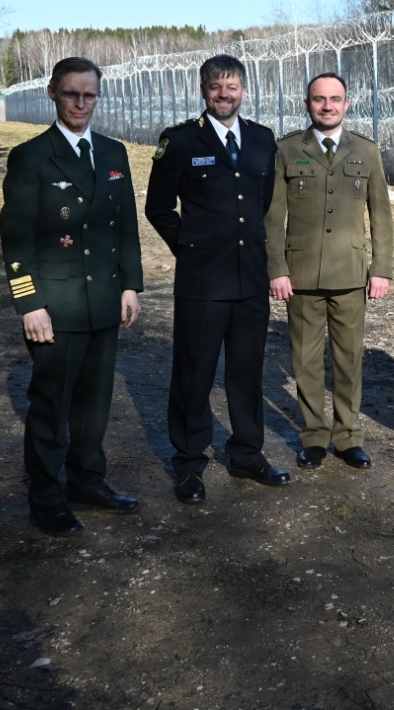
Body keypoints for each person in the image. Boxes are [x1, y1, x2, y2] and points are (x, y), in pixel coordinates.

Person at [0, 57, 144, 537]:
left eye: (89, 95)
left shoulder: (113, 152)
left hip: (103, 299)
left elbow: (126, 226)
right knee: (51, 407)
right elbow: (16, 239)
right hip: (55, 306)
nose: (81, 103)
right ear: (52, 94)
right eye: (71, 94)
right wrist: (28, 303)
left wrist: (129, 285)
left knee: (94, 403)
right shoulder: (32, 157)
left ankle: (87, 481)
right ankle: (45, 498)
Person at [145, 54, 290, 503]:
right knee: (195, 374)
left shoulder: (263, 140)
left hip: (250, 281)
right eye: (215, 87)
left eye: (231, 87)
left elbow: (262, 202)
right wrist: (191, 247)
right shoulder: (182, 140)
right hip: (203, 283)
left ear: (243, 90)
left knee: (246, 374)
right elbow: (158, 207)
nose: (223, 95)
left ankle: (247, 454)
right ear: (203, 90)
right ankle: (189, 464)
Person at [266, 73, 394, 470]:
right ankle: (314, 437)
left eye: (335, 99)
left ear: (347, 103)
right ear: (307, 104)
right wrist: (277, 268)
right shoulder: (287, 150)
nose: (327, 106)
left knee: (348, 359)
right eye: (319, 99)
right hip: (301, 275)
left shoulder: (367, 151)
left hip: (351, 274)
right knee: (304, 359)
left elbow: (381, 215)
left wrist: (381, 269)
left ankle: (348, 437)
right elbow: (272, 216)